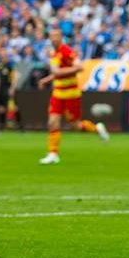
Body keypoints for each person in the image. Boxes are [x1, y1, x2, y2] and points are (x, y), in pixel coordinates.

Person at [38, 27, 110, 164]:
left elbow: (79, 67)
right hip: (58, 92)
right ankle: (53, 153)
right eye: (51, 36)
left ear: (61, 37)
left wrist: (61, 72)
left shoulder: (66, 51)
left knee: (76, 125)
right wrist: (47, 80)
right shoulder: (54, 53)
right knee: (52, 122)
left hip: (71, 94)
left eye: (56, 36)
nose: (53, 38)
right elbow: (57, 72)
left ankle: (96, 128)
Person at [0, 54, 24, 131]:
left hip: (8, 88)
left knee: (14, 108)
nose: (4, 58)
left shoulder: (11, 66)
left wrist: (12, 88)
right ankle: (1, 126)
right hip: (1, 89)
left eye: (5, 57)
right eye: (2, 57)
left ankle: (20, 126)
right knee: (1, 108)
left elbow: (14, 78)